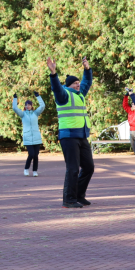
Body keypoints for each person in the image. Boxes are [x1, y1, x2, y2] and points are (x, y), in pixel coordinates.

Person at [47, 56, 93, 208]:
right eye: (75, 83)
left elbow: (87, 82)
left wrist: (87, 70)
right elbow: (56, 88)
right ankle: (68, 199)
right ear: (69, 85)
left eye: (78, 83)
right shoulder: (64, 96)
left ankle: (79, 195)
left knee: (88, 167)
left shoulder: (80, 94)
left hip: (81, 136)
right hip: (68, 137)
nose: (78, 85)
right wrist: (53, 74)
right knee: (73, 168)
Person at [12, 91, 46, 177]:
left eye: (29, 105)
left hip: (36, 137)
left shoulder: (35, 113)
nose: (28, 106)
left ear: (31, 106)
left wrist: (38, 96)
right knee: (31, 154)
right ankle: (26, 169)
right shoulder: (23, 114)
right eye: (26, 105)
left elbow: (42, 106)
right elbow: (15, 108)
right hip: (27, 137)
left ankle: (35, 171)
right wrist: (15, 98)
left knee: (36, 155)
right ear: (25, 106)